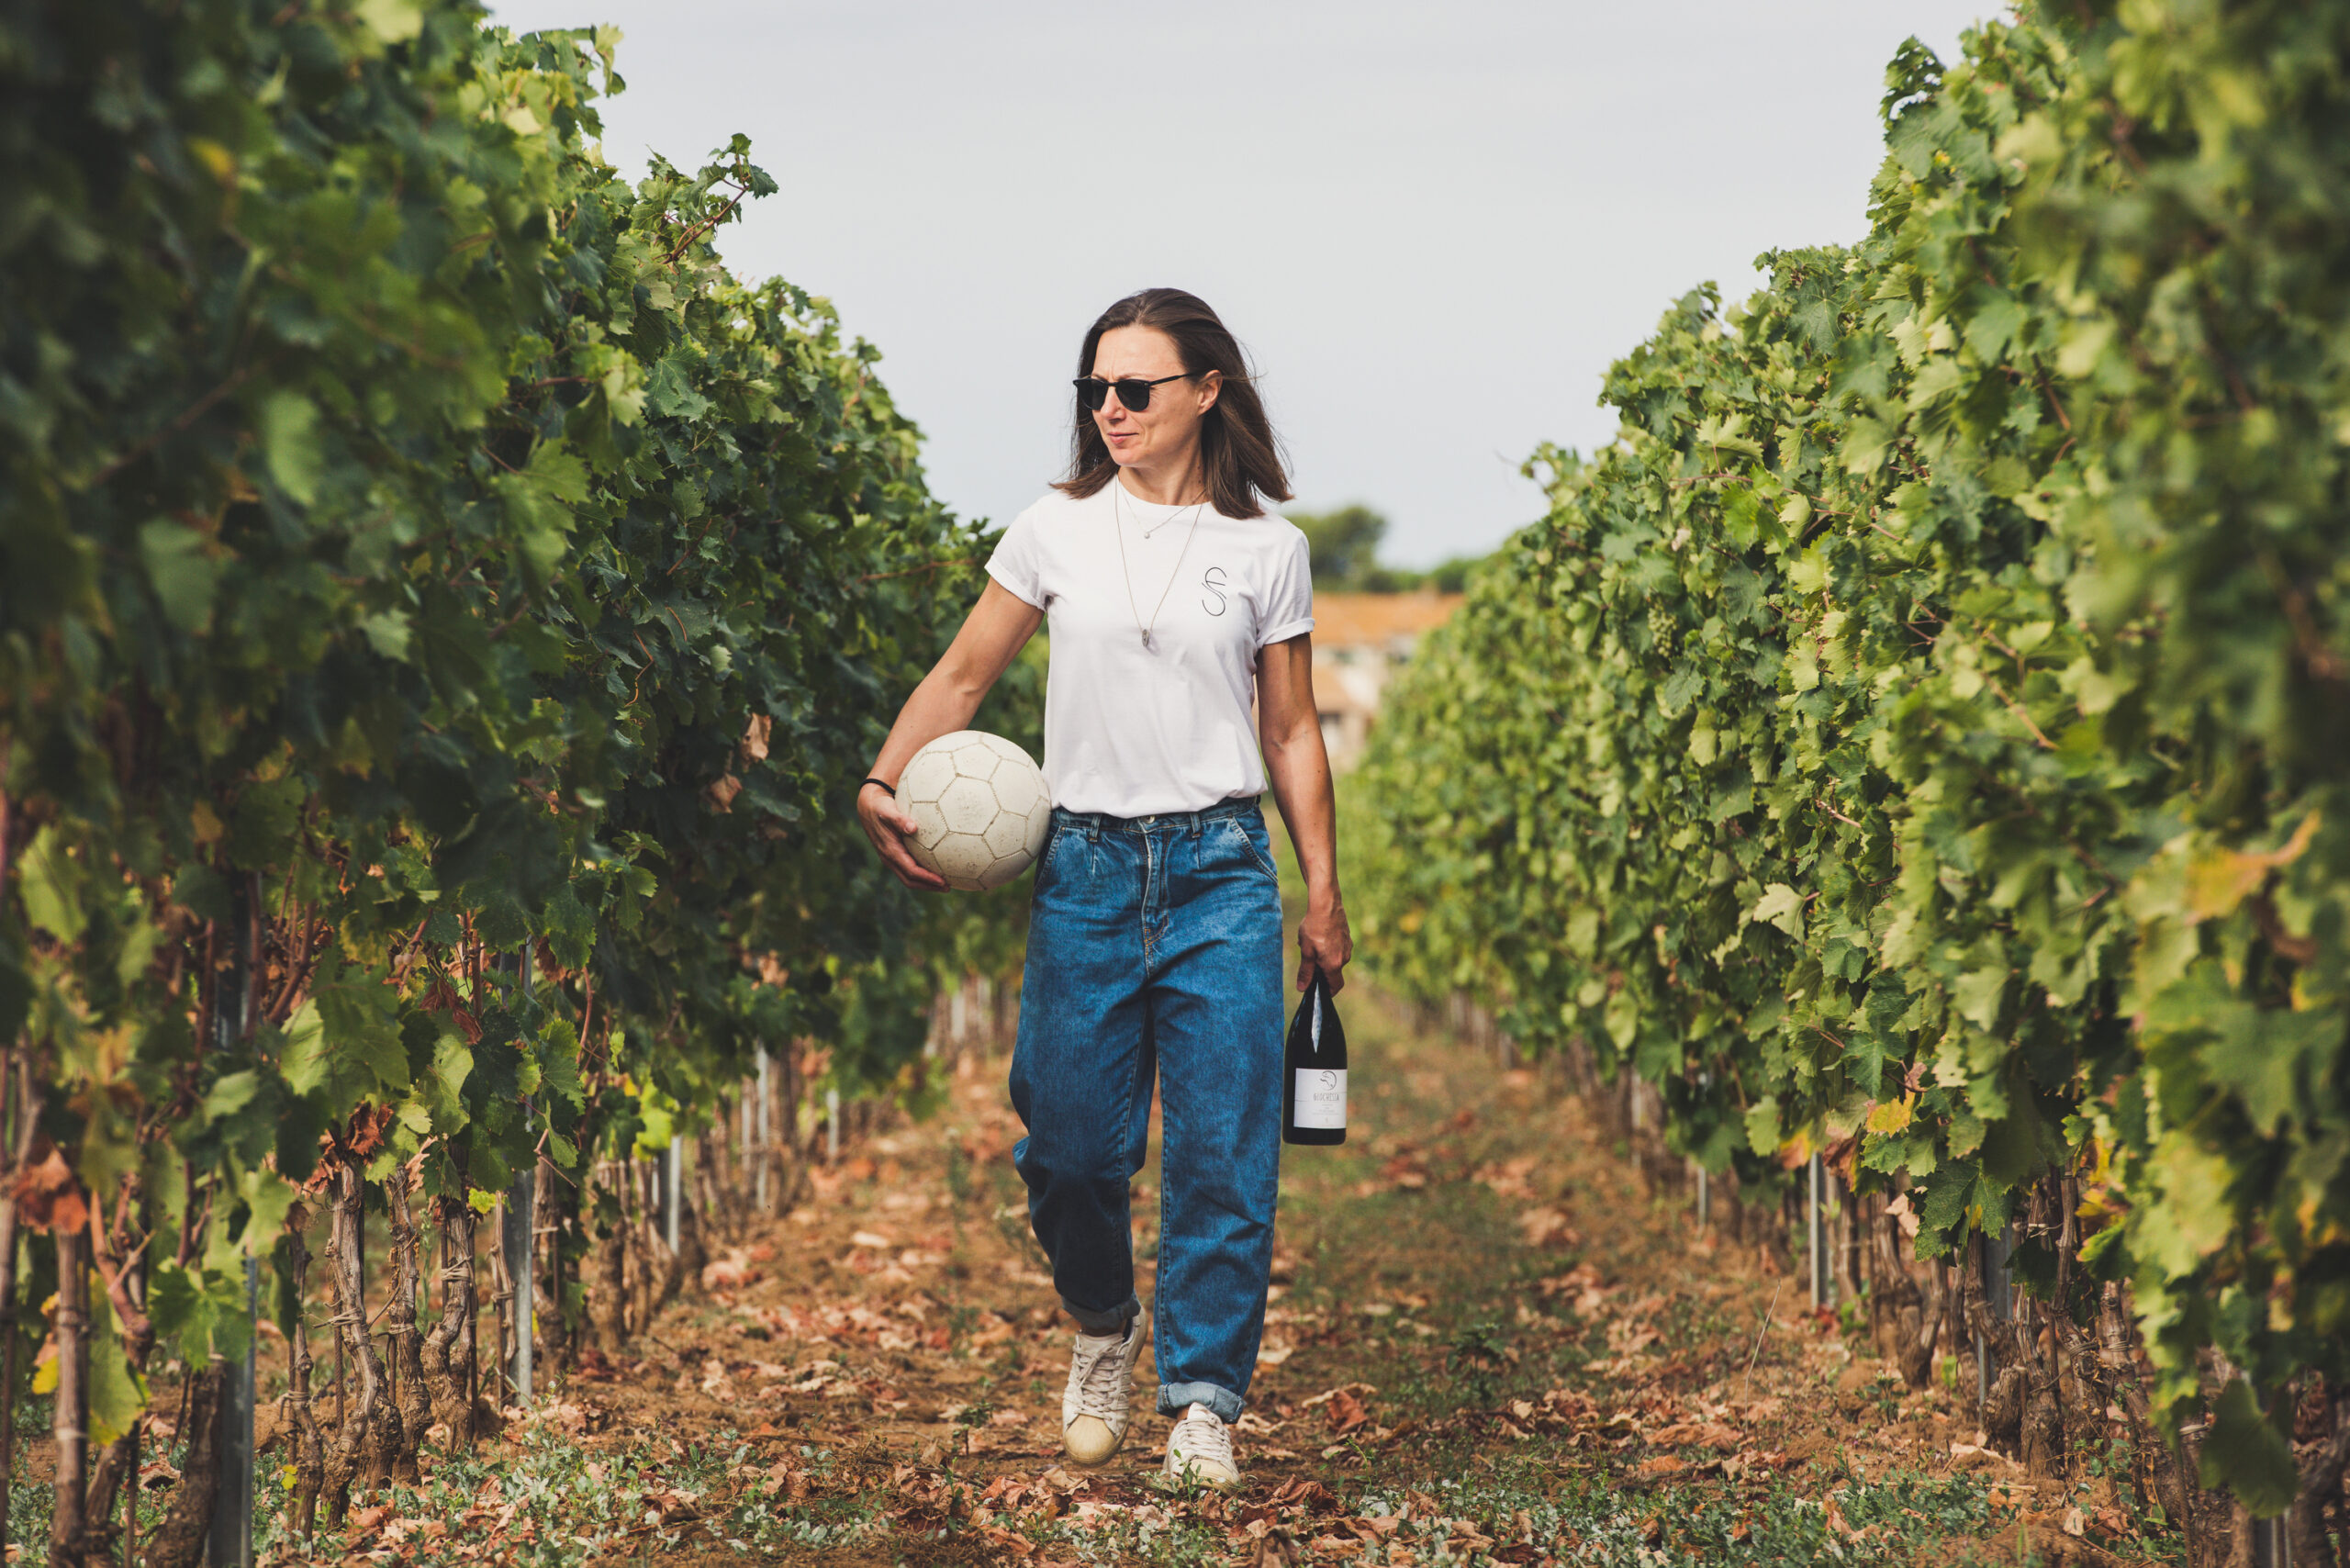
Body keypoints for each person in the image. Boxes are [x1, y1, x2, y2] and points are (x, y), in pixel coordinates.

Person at [856, 287, 1350, 1488]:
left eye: (1135, 387)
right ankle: (1101, 1322)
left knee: (1225, 1156)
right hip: (1083, 870)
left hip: (1223, 873)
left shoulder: (1266, 551)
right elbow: (966, 677)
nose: (1111, 407)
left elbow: (1289, 732)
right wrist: (883, 776)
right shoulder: (1053, 530)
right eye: (1096, 389)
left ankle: (1201, 1406)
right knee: (1071, 1151)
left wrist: (1324, 893)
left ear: (1205, 392)